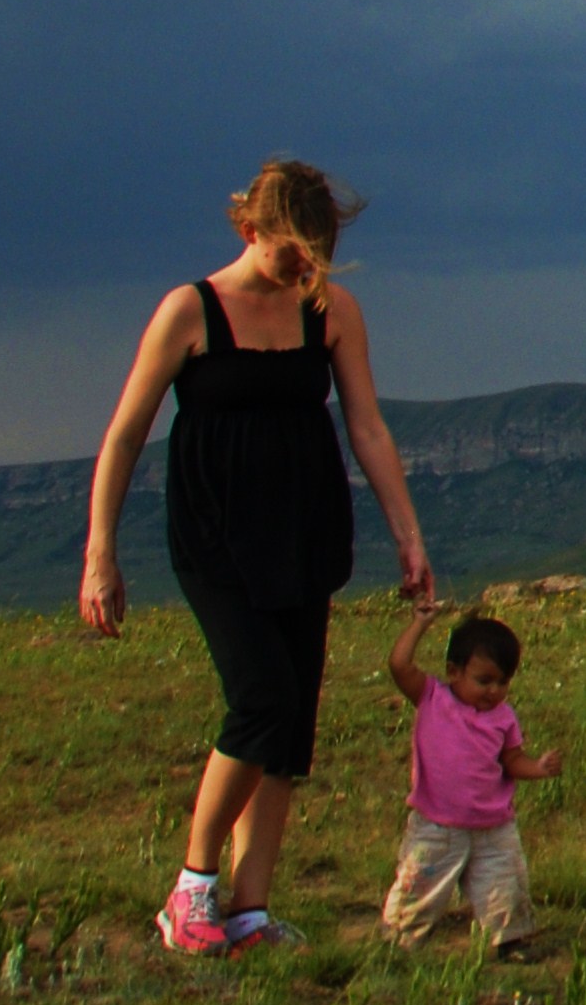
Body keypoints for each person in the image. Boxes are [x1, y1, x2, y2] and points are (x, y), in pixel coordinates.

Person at [80, 159, 435, 956]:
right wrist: (100, 552)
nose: (302, 268)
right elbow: (125, 435)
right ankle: (192, 887)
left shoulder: (333, 309)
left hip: (305, 528)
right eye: (288, 254)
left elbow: (368, 428)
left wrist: (407, 534)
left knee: (290, 728)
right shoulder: (190, 311)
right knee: (262, 697)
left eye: (316, 254)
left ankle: (249, 911)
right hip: (217, 536)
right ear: (249, 231)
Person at [382, 604, 561, 948]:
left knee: (503, 887)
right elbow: (399, 665)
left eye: (503, 682)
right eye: (484, 680)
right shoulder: (432, 698)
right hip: (436, 828)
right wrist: (420, 623)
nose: (493, 690)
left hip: (493, 828)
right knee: (418, 888)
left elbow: (512, 760)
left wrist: (537, 768)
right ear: (453, 672)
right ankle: (400, 941)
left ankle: (509, 943)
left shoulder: (504, 717)